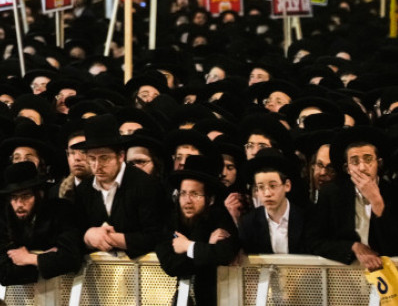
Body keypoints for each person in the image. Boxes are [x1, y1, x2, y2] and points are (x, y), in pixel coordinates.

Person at [73, 114, 169, 257]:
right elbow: (73, 233)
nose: (97, 166)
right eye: (92, 159)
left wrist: (110, 239)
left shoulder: (146, 185)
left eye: (104, 158)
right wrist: (87, 236)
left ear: (121, 156)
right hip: (99, 275)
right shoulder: (83, 189)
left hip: (143, 273)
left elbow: (156, 236)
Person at [312, 127, 398, 269]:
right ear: (347, 168)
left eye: (368, 159)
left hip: (390, 273)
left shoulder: (397, 193)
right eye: (355, 162)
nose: (362, 167)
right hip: (347, 274)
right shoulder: (331, 193)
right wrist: (353, 246)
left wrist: (377, 203)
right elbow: (314, 241)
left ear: (379, 163)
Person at [155, 153, 239, 306]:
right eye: (183, 193)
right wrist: (206, 247)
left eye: (195, 194)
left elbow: (225, 254)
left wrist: (188, 246)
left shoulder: (219, 216)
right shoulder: (170, 219)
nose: (187, 201)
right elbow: (171, 265)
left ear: (210, 199)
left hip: (217, 298)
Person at [0, 161, 85, 285]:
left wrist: (30, 258)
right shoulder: (4, 219)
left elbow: (72, 258)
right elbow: (3, 273)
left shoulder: (61, 211)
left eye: (25, 196)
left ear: (39, 194)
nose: (19, 204)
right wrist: (44, 260)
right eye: (14, 197)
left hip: (65, 290)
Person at [237, 150, 311, 254]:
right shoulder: (248, 223)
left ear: (287, 186)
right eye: (261, 187)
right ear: (256, 191)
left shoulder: (306, 219)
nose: (267, 193)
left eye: (273, 186)